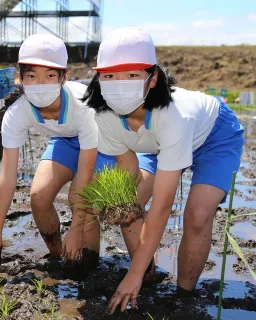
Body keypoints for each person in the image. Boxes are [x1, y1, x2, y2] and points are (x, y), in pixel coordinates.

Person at [82, 27, 244, 313]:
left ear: (153, 77)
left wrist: (128, 274)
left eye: (132, 75)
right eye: (109, 75)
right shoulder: (104, 114)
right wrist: (116, 204)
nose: (119, 84)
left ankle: (183, 296)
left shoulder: (174, 117)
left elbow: (162, 206)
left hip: (213, 137)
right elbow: (128, 166)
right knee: (128, 204)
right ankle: (147, 275)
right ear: (98, 78)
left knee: (197, 215)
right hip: (158, 144)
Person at [0, 34, 116, 270]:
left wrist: (74, 228)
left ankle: (88, 264)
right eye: (31, 76)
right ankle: (58, 257)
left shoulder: (83, 105)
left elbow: (84, 172)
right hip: (64, 141)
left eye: (50, 75)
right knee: (39, 196)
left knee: (82, 200)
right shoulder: (17, 112)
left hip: (101, 144)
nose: (40, 84)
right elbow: (8, 177)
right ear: (20, 78)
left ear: (64, 78)